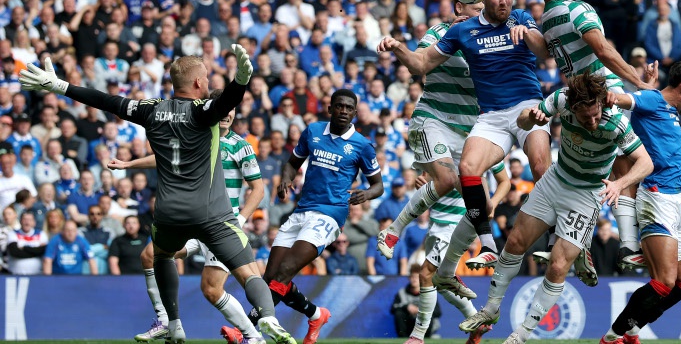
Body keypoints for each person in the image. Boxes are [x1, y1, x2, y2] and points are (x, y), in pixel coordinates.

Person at [19, 50, 295, 344]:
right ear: (198, 82)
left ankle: (173, 323)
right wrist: (241, 79)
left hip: (168, 214)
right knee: (248, 271)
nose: (208, 81)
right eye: (206, 77)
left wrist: (60, 86)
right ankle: (267, 317)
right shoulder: (203, 111)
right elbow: (228, 101)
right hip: (211, 213)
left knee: (161, 256)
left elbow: (105, 100)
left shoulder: (150, 109)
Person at [459, 72, 653, 344]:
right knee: (514, 242)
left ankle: (520, 335)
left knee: (558, 266)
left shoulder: (616, 122)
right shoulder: (561, 98)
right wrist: (531, 118)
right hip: (554, 182)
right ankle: (491, 309)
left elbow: (646, 162)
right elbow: (523, 121)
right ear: (572, 108)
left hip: (586, 196)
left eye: (596, 115)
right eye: (585, 118)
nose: (592, 122)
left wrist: (620, 184)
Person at [378, 0, 552, 269]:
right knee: (448, 179)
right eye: (478, 5)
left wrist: (525, 32)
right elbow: (420, 64)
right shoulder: (446, 33)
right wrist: (398, 47)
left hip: (472, 123)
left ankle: (456, 266)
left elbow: (540, 52)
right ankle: (395, 229)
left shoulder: (508, 23)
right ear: (460, 6)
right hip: (435, 118)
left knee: (482, 203)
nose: (484, 9)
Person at [108, 88, 268, 344]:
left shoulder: (241, 146)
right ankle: (165, 320)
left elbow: (258, 189)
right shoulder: (198, 134)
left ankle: (253, 336)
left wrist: (240, 220)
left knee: (211, 289)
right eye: (222, 109)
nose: (226, 114)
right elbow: (165, 157)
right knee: (149, 255)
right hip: (195, 219)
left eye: (230, 110)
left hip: (221, 225)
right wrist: (129, 164)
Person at [528, 0, 657, 269]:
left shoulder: (548, 19)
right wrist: (638, 81)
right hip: (603, 94)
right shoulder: (577, 10)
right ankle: (628, 245)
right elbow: (603, 50)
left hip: (576, 102)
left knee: (585, 172)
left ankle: (575, 241)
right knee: (624, 165)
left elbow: (551, 52)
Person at [246, 88, 383, 344]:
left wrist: (366, 194)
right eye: (339, 106)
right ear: (330, 108)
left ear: (355, 113)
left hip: (330, 214)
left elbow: (378, 185)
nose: (343, 111)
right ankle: (316, 315)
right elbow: (292, 163)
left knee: (285, 271)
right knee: (270, 278)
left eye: (349, 108)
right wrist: (285, 180)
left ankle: (247, 330)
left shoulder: (362, 145)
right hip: (301, 210)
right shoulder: (313, 131)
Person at [600, 60, 681, 344]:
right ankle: (612, 337)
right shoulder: (652, 100)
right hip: (656, 195)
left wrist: (647, 86)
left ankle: (633, 328)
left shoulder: (667, 107)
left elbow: (646, 100)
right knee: (663, 282)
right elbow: (627, 99)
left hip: (677, 201)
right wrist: (613, 96)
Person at [391, 264, 442, 339]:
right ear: (409, 278)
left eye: (417, 277)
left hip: (424, 327)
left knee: (429, 315)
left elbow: (438, 312)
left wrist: (422, 311)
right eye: (412, 277)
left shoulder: (429, 293)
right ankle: (403, 339)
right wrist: (406, 307)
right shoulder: (402, 293)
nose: (414, 279)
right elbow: (393, 308)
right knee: (399, 314)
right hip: (408, 325)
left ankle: (426, 339)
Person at [7, 210, 48, 275]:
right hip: (15, 274)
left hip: (37, 275)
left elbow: (42, 251)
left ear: (34, 222)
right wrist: (35, 251)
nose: (27, 222)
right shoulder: (13, 233)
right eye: (24, 219)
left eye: (30, 220)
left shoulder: (41, 234)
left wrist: (23, 248)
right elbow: (15, 252)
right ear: (20, 221)